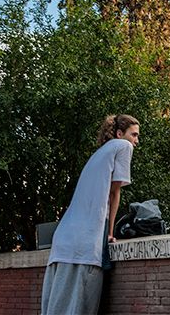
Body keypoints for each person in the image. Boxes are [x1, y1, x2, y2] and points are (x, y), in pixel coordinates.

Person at [41, 114, 140, 315]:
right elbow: (114, 192)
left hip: (63, 240)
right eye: (134, 135)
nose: (136, 141)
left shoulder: (99, 152)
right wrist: (110, 233)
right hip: (85, 241)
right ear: (120, 134)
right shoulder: (123, 146)